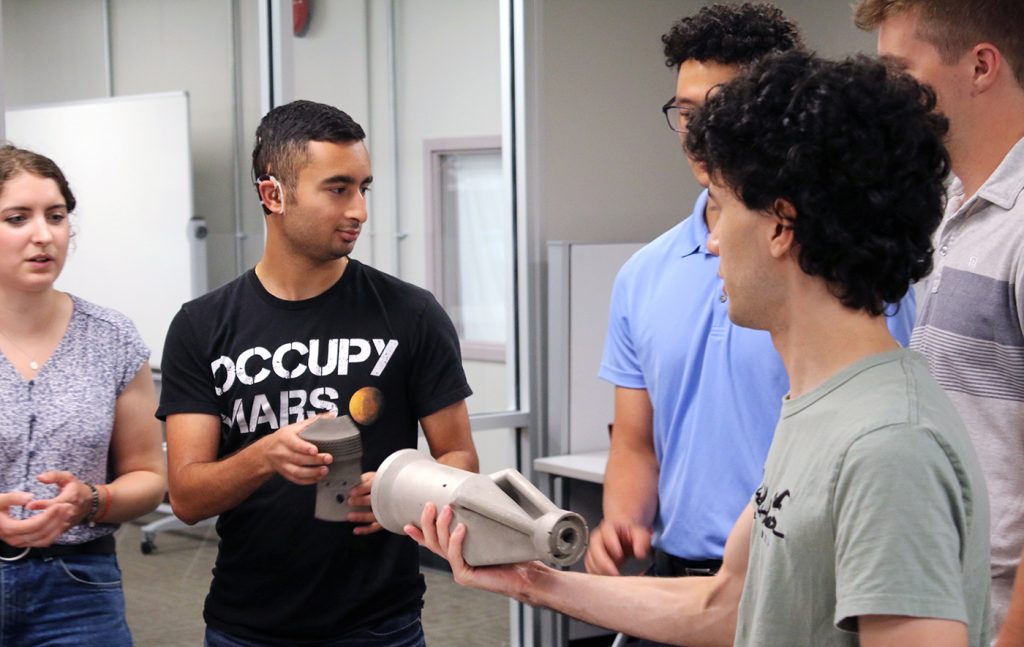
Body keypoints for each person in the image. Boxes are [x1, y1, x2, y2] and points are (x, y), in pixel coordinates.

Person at [411, 52, 992, 646]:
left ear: (779, 226)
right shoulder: (817, 407)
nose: (711, 242)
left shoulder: (889, 447)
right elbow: (724, 604)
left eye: (727, 205)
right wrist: (530, 582)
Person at [589, 2, 915, 598]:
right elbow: (635, 439)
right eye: (685, 112)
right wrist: (623, 519)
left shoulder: (838, 269)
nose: (698, 134)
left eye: (720, 110)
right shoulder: (642, 276)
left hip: (802, 577)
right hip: (679, 576)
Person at [157, 100, 478, 646]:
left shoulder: (410, 312)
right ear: (273, 195)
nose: (359, 210)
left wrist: (403, 493)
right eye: (337, 189)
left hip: (381, 625)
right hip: (249, 626)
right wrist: (263, 455)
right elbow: (186, 497)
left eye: (363, 188)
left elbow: (460, 458)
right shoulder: (200, 326)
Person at [854, 0, 1024, 636]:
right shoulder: (940, 207)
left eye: (900, 70)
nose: (885, 94)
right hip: (943, 599)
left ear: (980, 66)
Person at [0, 144, 166, 646]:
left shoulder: (111, 337)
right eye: (17, 218)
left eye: (56, 216)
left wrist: (92, 500)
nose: (43, 235)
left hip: (78, 589)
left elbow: (149, 478)